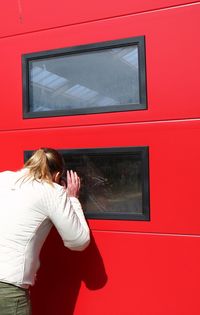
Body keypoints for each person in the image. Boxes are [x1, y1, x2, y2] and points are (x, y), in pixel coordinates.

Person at [0, 148, 90, 315]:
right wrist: (72, 199)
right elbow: (78, 241)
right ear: (57, 176)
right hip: (8, 290)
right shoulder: (52, 191)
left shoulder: (3, 178)